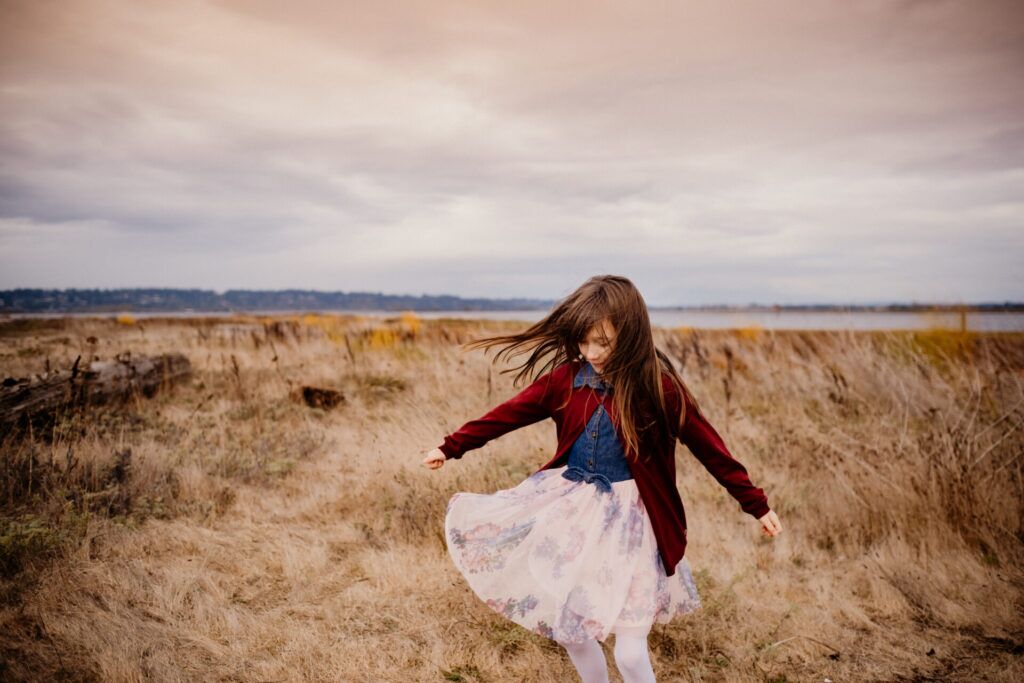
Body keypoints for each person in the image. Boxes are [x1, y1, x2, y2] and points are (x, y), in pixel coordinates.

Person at [421, 275, 782, 683]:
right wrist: (451, 446)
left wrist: (755, 503)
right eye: (583, 341)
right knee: (572, 633)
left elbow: (711, 448)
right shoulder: (566, 380)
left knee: (629, 655)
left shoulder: (658, 388)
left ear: (629, 335)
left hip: (634, 527)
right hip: (575, 517)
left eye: (602, 343)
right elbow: (507, 414)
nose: (590, 353)